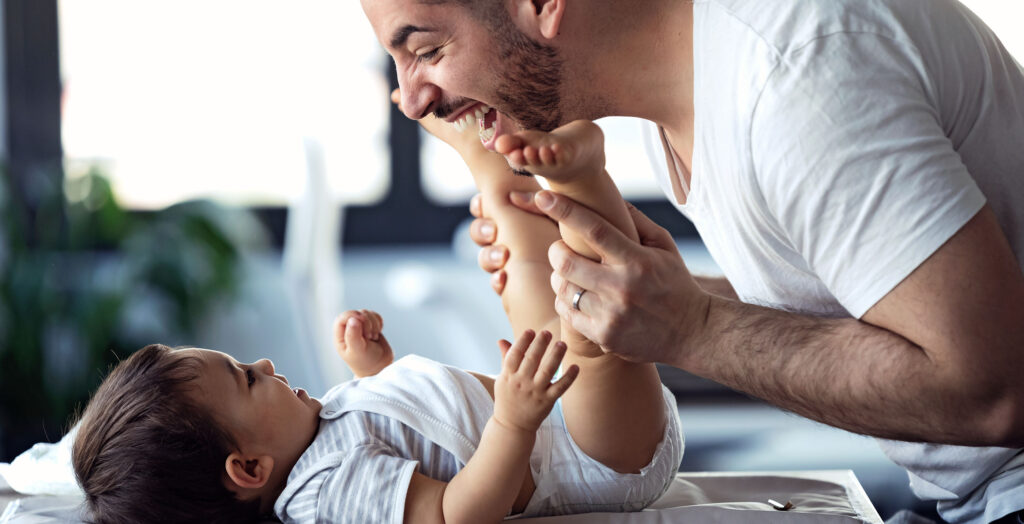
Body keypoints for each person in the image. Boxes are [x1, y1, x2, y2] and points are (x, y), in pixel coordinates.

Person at [360, 0, 1024, 521]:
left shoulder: (796, 79)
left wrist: (693, 328)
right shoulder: (687, 95)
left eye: (426, 50)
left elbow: (995, 392)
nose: (412, 99)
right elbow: (873, 292)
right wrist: (662, 296)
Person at [70, 117, 682, 523]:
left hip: (560, 420)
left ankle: (491, 156)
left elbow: (404, 433)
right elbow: (452, 513)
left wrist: (374, 369)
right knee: (589, 324)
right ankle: (585, 179)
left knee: (530, 271)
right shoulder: (325, 492)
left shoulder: (316, 430)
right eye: (247, 379)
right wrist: (513, 420)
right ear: (250, 469)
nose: (263, 363)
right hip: (596, 461)